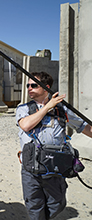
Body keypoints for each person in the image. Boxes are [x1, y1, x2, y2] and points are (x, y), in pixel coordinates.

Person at [16, 71, 92, 220]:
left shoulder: (62, 109)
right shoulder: (23, 108)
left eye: (34, 85)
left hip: (56, 166)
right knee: (34, 206)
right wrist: (47, 107)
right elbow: (25, 125)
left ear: (46, 88)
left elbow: (84, 127)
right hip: (32, 168)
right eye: (28, 85)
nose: (29, 88)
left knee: (58, 203)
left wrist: (53, 106)